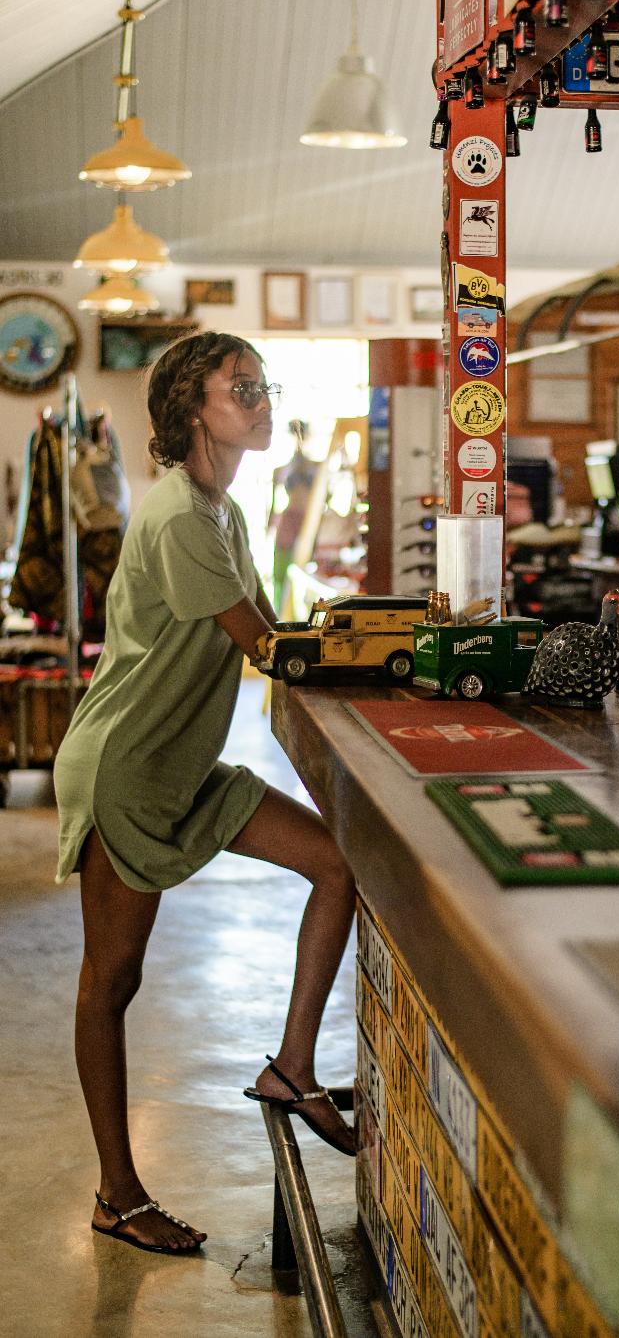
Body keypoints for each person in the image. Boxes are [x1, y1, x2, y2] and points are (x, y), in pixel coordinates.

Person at [53, 332, 356, 1259]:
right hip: (129, 768)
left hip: (182, 764)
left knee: (338, 866)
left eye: (263, 385)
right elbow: (263, 646)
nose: (263, 402)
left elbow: (271, 632)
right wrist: (377, 664)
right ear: (194, 411)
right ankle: (116, 1193)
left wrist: (356, 646)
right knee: (113, 982)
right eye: (243, 388)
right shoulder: (183, 514)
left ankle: (293, 1069)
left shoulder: (221, 510)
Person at [269, 419, 317, 610]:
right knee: (282, 570)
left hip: (309, 520)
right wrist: (269, 525)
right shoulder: (282, 470)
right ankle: (279, 611)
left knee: (308, 570)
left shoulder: (315, 467)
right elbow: (273, 504)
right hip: (290, 520)